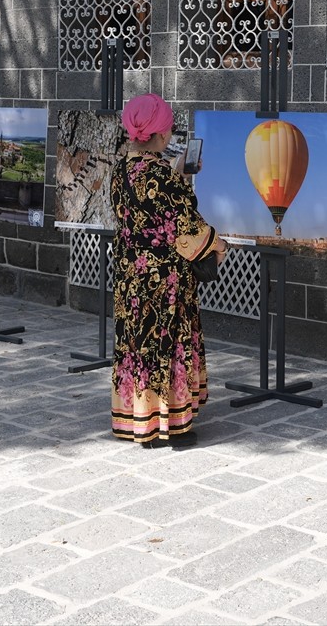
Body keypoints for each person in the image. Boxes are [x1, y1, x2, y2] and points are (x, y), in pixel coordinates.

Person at [110, 93, 226, 449]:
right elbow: (187, 229)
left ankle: (136, 419)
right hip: (165, 282)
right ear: (161, 134)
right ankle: (169, 425)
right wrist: (219, 247)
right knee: (167, 344)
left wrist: (176, 172)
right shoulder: (161, 176)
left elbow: (145, 210)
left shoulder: (120, 170)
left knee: (136, 344)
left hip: (131, 275)